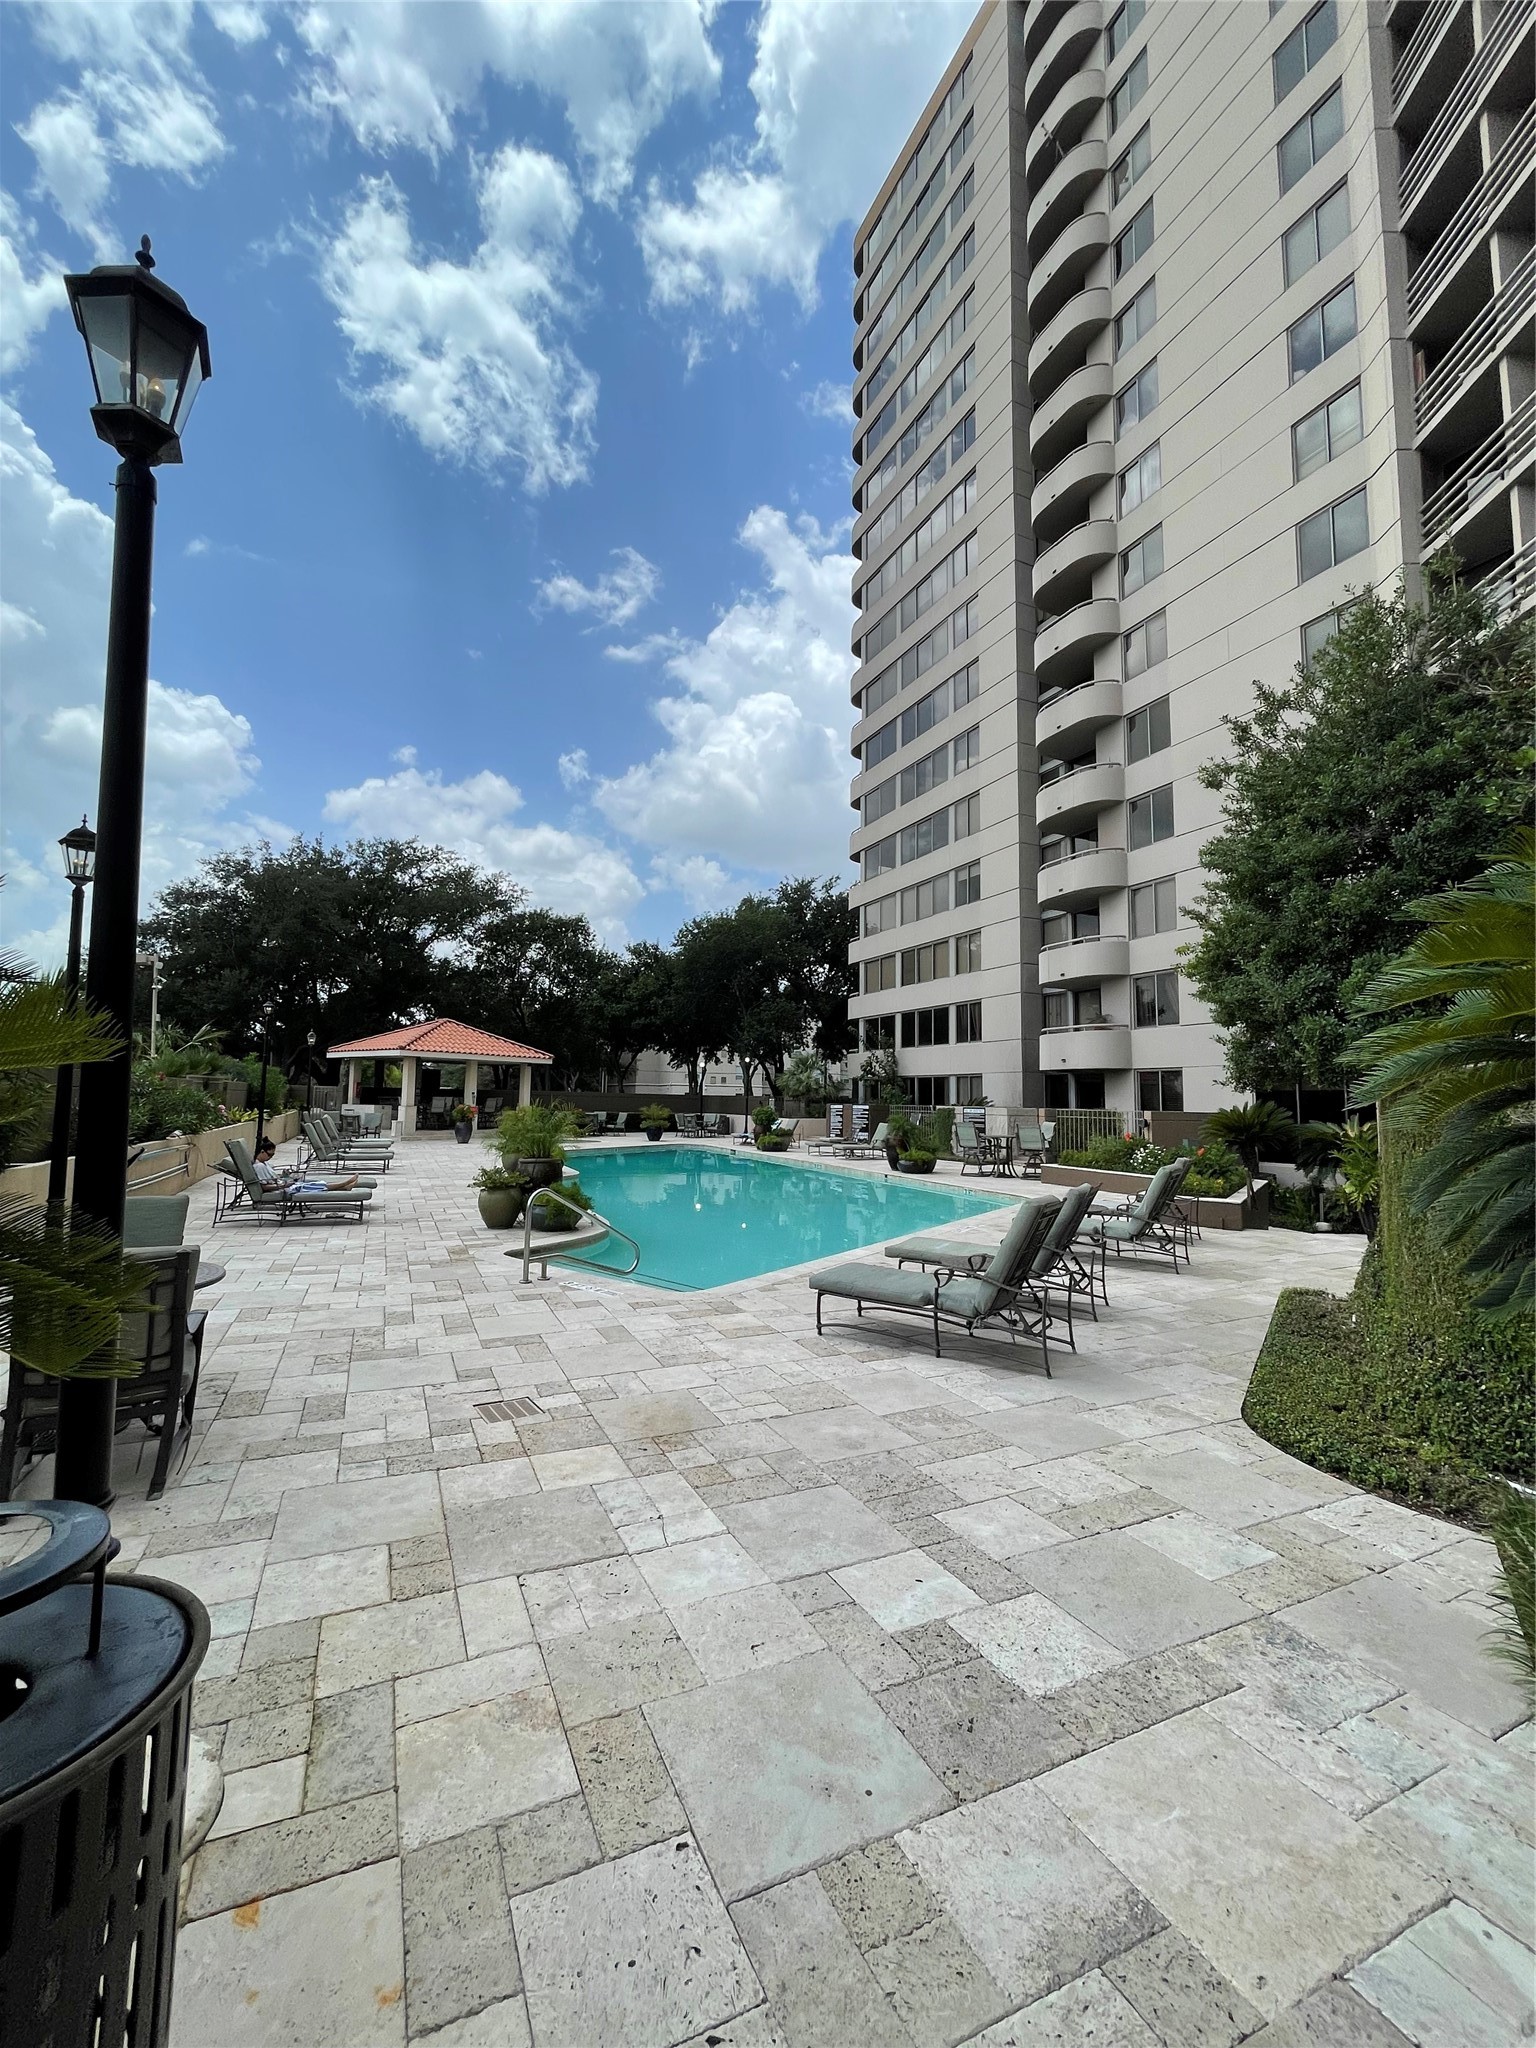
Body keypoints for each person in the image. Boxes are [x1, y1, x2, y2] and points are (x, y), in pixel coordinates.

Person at [252, 1136, 357, 1193]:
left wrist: (284, 1176)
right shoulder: (259, 1166)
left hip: (285, 1186)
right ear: (262, 1152)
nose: (271, 1157)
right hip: (284, 1190)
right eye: (270, 1155)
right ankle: (344, 1184)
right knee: (317, 1185)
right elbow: (264, 1187)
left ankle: (344, 1187)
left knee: (315, 1184)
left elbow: (272, 1178)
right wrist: (283, 1185)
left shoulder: (264, 1164)